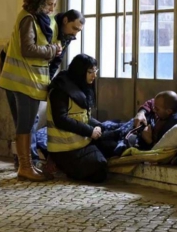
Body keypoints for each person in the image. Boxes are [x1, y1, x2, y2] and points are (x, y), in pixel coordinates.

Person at [0, 0, 62, 182]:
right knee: (25, 125)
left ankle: (28, 165)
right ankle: (25, 167)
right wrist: (53, 51)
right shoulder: (28, 19)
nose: (52, 9)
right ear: (39, 2)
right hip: (23, 81)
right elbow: (28, 49)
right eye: (49, 4)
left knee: (26, 124)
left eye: (54, 5)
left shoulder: (40, 19)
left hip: (30, 81)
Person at [46, 54, 121, 183]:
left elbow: (84, 116)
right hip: (65, 149)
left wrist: (99, 126)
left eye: (95, 71)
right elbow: (61, 120)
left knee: (113, 143)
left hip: (83, 142)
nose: (94, 75)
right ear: (80, 72)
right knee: (99, 170)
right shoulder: (60, 90)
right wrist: (90, 131)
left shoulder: (80, 87)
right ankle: (61, 166)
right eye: (90, 72)